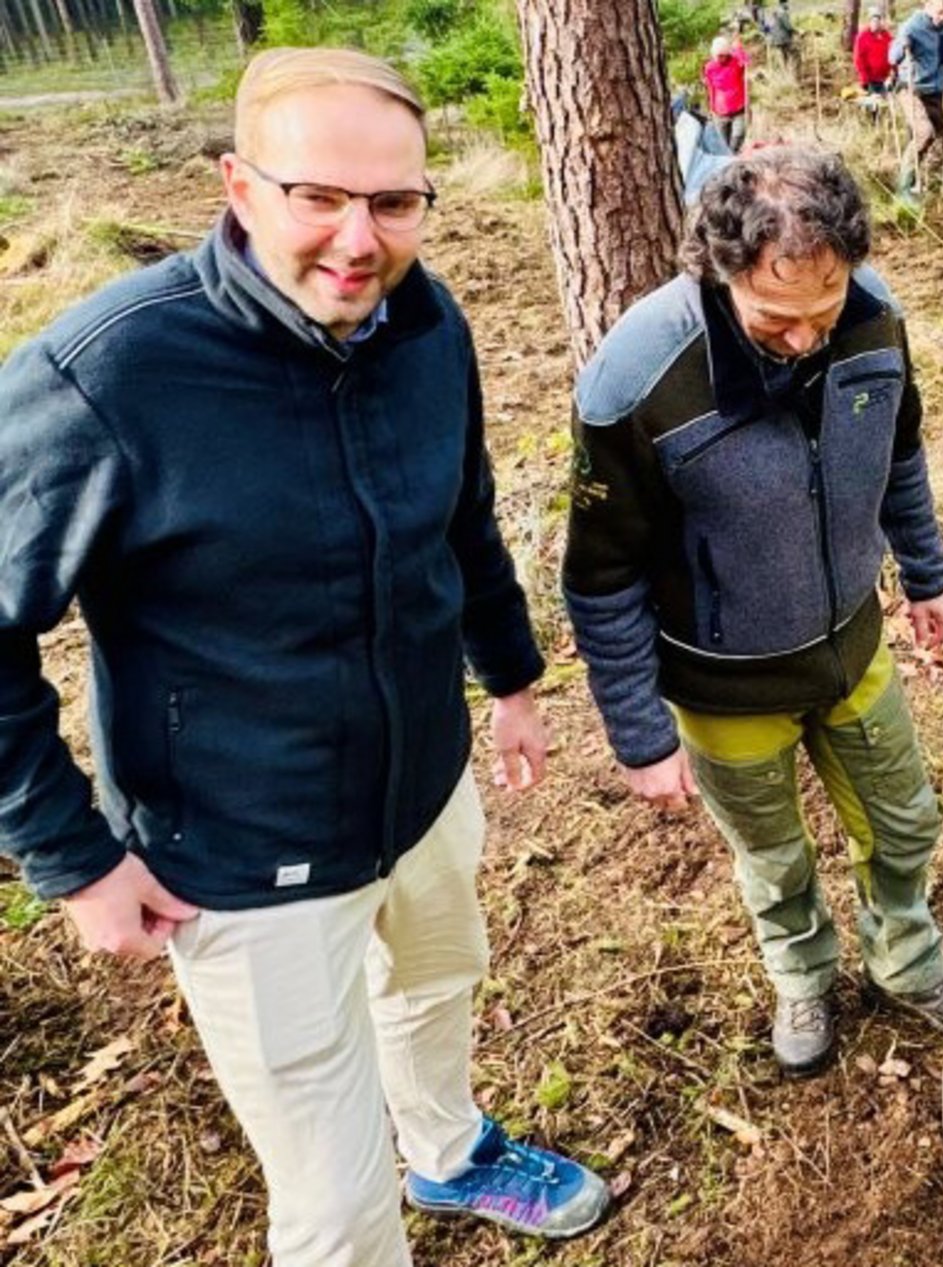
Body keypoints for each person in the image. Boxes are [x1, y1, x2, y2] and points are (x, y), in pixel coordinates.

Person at [0, 47, 608, 1265]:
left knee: (438, 985)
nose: (357, 237)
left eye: (392, 202)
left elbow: (464, 516)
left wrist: (514, 676)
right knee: (333, 1207)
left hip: (424, 787)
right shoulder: (105, 376)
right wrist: (71, 860)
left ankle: (450, 1153)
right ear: (238, 185)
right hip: (243, 851)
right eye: (317, 196)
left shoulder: (430, 322)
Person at [562, 148, 943, 1078]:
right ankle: (802, 973)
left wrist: (926, 573)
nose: (807, 340)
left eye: (823, 312)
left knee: (906, 821)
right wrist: (641, 734)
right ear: (718, 275)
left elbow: (902, 455)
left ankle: (908, 963)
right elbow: (602, 576)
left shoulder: (875, 319)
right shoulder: (638, 381)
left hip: (851, 647)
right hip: (725, 687)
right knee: (773, 855)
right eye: (775, 319)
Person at [891, 0, 943, 202]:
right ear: (928, 6)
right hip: (912, 89)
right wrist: (902, 46)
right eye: (940, 13)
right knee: (924, 133)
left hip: (934, 91)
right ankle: (903, 188)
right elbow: (892, 57)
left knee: (941, 138)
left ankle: (933, 189)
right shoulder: (911, 26)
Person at [703, 33, 751, 153]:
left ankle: (733, 158)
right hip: (720, 112)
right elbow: (710, 88)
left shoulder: (735, 61)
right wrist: (711, 107)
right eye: (718, 56)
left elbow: (746, 62)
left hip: (739, 108)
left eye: (723, 56)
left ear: (728, 53)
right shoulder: (709, 67)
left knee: (737, 138)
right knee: (723, 146)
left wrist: (739, 49)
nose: (721, 59)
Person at [853, 8, 896, 94]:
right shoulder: (862, 37)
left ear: (881, 22)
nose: (876, 23)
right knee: (876, 102)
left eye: (878, 20)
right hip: (871, 80)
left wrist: (895, 73)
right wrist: (864, 80)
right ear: (869, 22)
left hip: (886, 78)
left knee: (889, 100)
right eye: (873, 21)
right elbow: (858, 60)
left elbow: (893, 54)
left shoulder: (887, 36)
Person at [761, 0, 799, 74]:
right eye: (787, 3)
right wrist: (795, 31)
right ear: (784, 3)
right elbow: (788, 26)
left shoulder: (776, 11)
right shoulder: (782, 12)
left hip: (776, 38)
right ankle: (789, 71)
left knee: (783, 54)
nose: (788, 4)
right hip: (783, 38)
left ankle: (784, 71)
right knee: (791, 53)